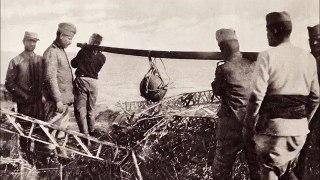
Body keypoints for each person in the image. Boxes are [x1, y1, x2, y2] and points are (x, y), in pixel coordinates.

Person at [244, 12, 320, 180]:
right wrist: (304, 122)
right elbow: (315, 98)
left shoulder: (267, 56)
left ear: (275, 31)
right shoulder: (308, 58)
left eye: (267, 31)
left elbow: (256, 96)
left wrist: (249, 123)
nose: (267, 35)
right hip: (299, 133)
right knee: (286, 171)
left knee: (269, 171)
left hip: (274, 132)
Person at [211, 28, 260, 180]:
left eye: (220, 49)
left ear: (224, 48)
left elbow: (217, 90)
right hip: (253, 125)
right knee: (256, 169)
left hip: (231, 130)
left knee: (221, 170)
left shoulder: (223, 69)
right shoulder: (254, 65)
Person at [5, 31, 44, 163]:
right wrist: (24, 97)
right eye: (29, 41)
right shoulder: (15, 61)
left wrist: (43, 96)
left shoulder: (41, 60)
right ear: (23, 41)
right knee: (24, 133)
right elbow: (9, 83)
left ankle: (38, 161)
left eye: (34, 41)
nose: (32, 43)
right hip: (24, 104)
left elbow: (45, 81)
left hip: (38, 104)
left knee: (39, 132)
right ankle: (25, 160)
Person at [42, 23, 76, 147]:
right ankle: (47, 159)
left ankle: (61, 158)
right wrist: (58, 100)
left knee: (61, 132)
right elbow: (50, 78)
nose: (71, 42)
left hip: (64, 101)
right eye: (69, 39)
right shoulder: (52, 52)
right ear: (61, 35)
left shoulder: (60, 51)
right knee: (50, 132)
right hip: (56, 103)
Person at [293, 24, 320, 180]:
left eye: (318, 40)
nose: (314, 44)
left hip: (310, 117)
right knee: (302, 155)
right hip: (308, 116)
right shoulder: (307, 61)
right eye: (312, 40)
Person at [71, 33, 106, 138]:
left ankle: (85, 134)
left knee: (80, 109)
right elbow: (94, 64)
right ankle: (91, 131)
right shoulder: (102, 57)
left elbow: (73, 64)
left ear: (91, 41)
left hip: (82, 80)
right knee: (91, 109)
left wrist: (84, 49)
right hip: (94, 82)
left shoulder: (83, 52)